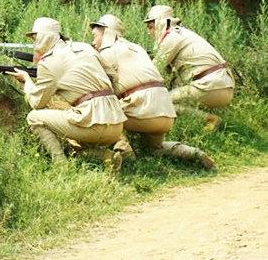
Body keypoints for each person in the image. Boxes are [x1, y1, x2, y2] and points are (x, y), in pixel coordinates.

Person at [90, 14, 215, 169]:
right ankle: (195, 153)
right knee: (155, 149)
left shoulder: (107, 52)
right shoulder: (137, 48)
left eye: (94, 36)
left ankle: (128, 156)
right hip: (165, 112)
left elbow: (101, 91)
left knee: (102, 109)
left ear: (107, 33)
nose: (93, 42)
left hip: (143, 112)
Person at [7, 17, 126, 170]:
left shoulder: (49, 62)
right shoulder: (85, 47)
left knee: (34, 118)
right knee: (74, 135)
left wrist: (27, 81)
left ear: (43, 37)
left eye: (35, 38)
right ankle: (105, 156)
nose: (34, 42)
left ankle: (61, 166)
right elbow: (113, 76)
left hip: (94, 125)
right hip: (117, 123)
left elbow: (37, 103)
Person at [144, 5, 235, 130]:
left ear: (160, 23)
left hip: (210, 85)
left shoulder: (171, 37)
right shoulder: (183, 33)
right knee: (173, 95)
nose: (149, 33)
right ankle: (203, 122)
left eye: (150, 27)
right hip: (224, 86)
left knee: (161, 102)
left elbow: (152, 72)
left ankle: (209, 119)